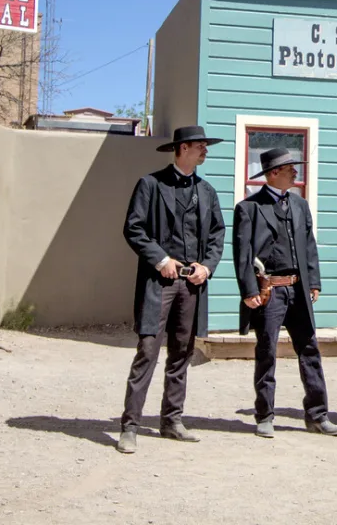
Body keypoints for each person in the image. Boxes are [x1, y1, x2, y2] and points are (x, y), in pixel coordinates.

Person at [116, 125, 226, 454]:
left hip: (191, 284)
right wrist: (160, 259)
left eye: (205, 145)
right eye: (199, 146)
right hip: (158, 282)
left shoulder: (207, 191)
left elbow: (218, 235)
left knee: (182, 353)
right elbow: (133, 228)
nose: (205, 150)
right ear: (181, 149)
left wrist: (207, 266)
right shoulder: (150, 185)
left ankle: (172, 421)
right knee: (148, 351)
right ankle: (130, 426)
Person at [233, 147, 337, 439]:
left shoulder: (300, 205)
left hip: (299, 289)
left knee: (310, 350)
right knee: (267, 352)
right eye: (290, 168)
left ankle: (318, 416)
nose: (296, 172)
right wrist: (248, 290)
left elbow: (309, 245)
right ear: (273, 173)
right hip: (269, 292)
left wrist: (314, 281)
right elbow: (242, 254)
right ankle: (265, 416)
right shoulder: (249, 208)